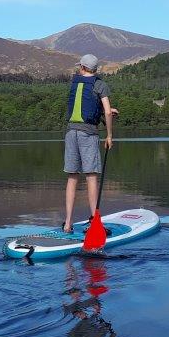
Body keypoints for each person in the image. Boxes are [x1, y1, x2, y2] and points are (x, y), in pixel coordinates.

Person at [63, 53, 115, 233]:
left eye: (80, 66)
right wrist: (109, 135)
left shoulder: (75, 83)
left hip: (70, 132)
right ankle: (95, 223)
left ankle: (68, 223)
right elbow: (107, 112)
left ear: (83, 68)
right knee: (91, 176)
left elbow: (83, 107)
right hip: (88, 134)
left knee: (72, 177)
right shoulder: (100, 84)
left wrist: (102, 111)